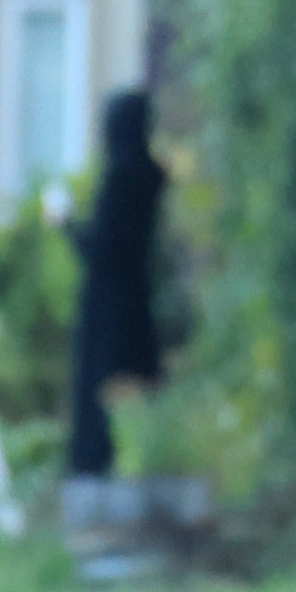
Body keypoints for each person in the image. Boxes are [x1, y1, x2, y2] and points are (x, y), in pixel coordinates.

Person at [67, 84, 166, 478]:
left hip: (107, 298)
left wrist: (66, 226)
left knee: (98, 379)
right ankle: (138, 456)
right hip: (138, 291)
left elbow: (102, 245)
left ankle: (94, 462)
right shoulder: (151, 175)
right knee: (135, 382)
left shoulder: (119, 176)